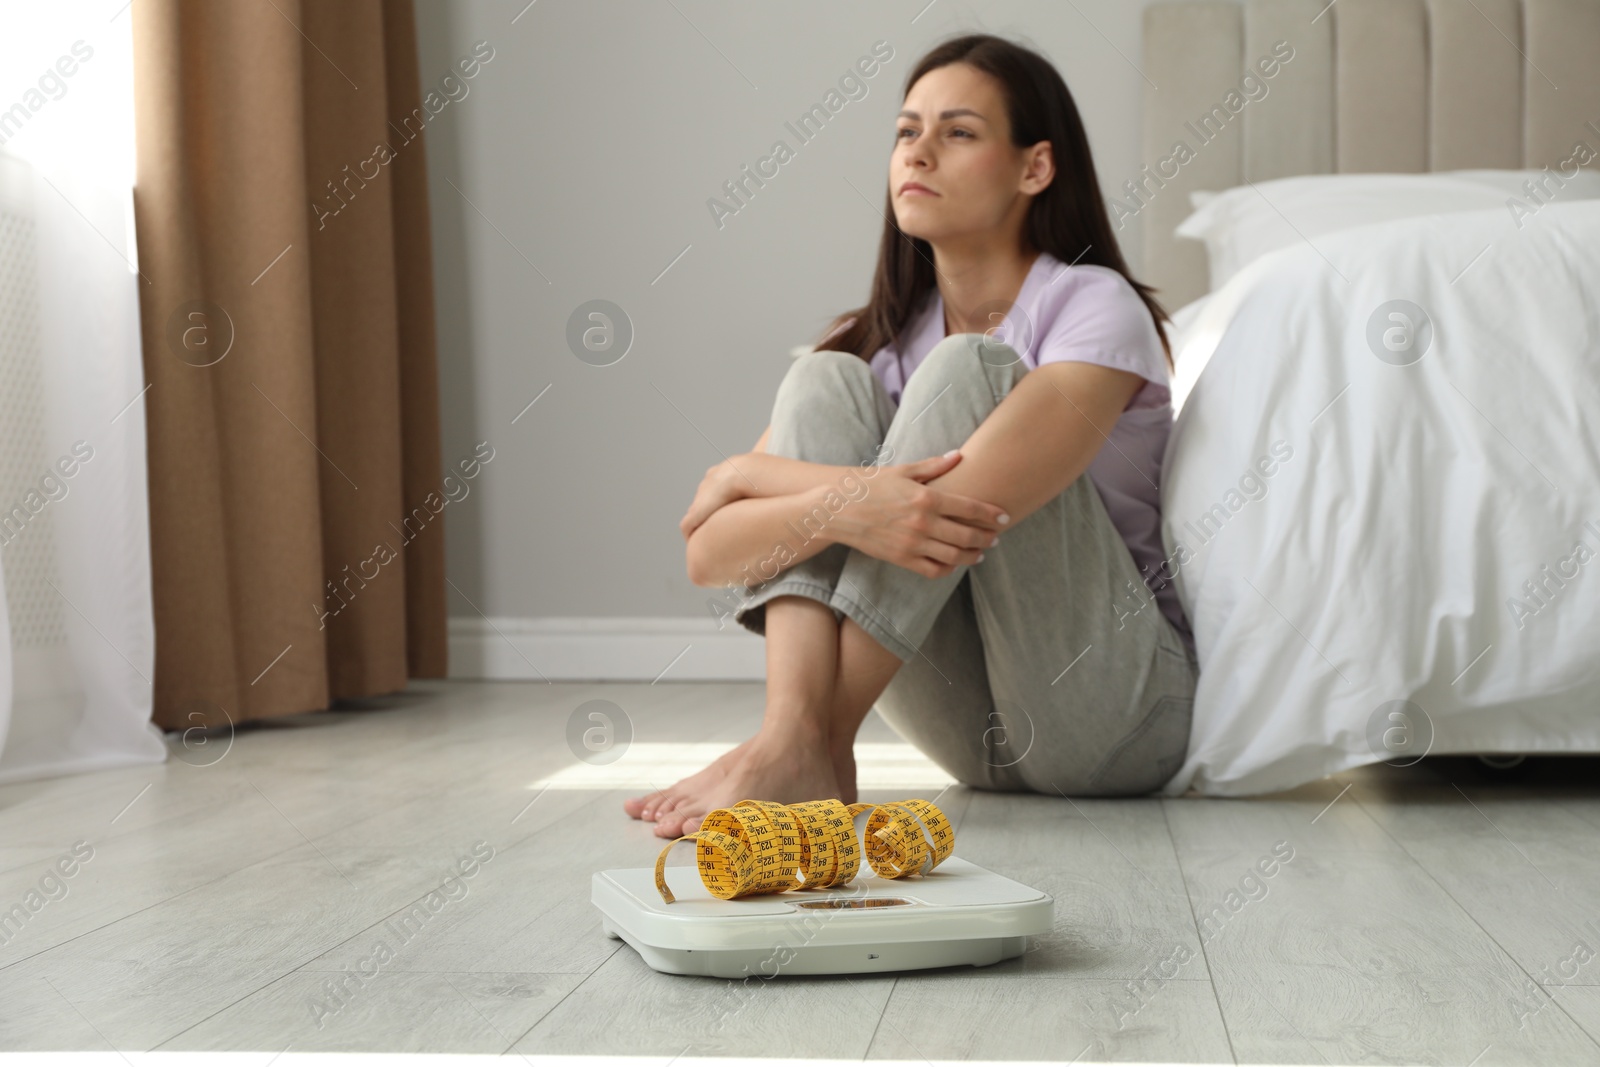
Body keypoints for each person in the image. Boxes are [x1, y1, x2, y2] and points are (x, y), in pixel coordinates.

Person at [624, 32, 1198, 839]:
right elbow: (710, 553)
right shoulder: (879, 346)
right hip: (974, 737)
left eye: (957, 132)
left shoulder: (1092, 305)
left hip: (1116, 715)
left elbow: (957, 506)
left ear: (1034, 168)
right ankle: (798, 735)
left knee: (969, 368)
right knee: (821, 376)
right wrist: (846, 505)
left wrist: (756, 478)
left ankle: (804, 745)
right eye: (905, 132)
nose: (917, 153)